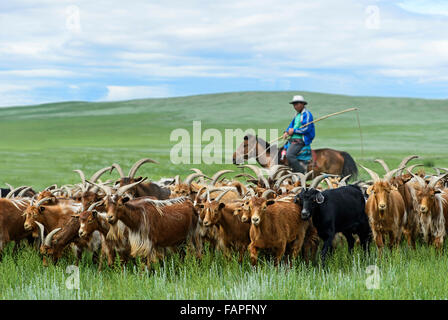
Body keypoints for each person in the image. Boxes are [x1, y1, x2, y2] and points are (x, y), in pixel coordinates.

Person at [282, 95, 315, 173]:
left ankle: (301, 172)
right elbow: (291, 126)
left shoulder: (307, 114)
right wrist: (286, 132)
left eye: (297, 104)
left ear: (303, 104)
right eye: (294, 104)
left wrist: (294, 131)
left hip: (301, 139)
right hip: (293, 139)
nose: (295, 106)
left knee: (289, 155)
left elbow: (307, 128)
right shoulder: (297, 115)